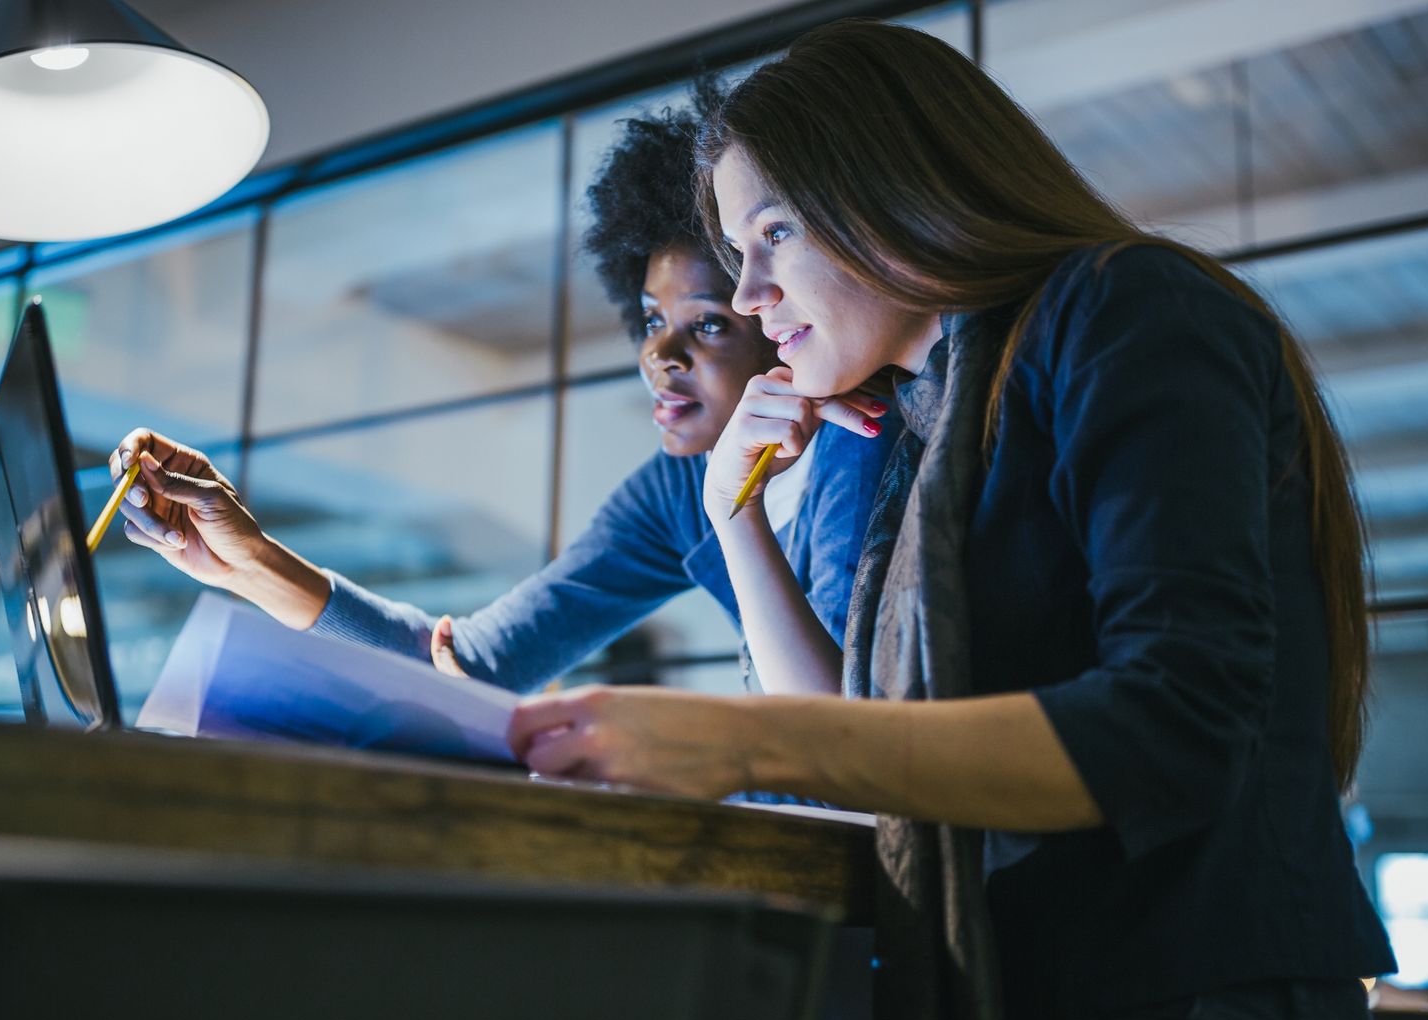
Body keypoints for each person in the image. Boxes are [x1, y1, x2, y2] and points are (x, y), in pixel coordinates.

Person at [504, 21, 1396, 1020]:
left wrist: (745, 746)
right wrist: (731, 510)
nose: (748, 296)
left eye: (775, 234)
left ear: (890, 186)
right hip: (1052, 1012)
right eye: (740, 256)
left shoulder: (1124, 306)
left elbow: (1178, 723)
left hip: (1190, 1014)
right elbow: (855, 762)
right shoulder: (923, 423)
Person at [109, 92, 893, 700]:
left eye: (709, 325)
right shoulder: (680, 490)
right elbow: (473, 667)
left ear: (774, 313)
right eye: (651, 320)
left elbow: (842, 732)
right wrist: (242, 558)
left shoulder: (865, 444)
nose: (660, 355)